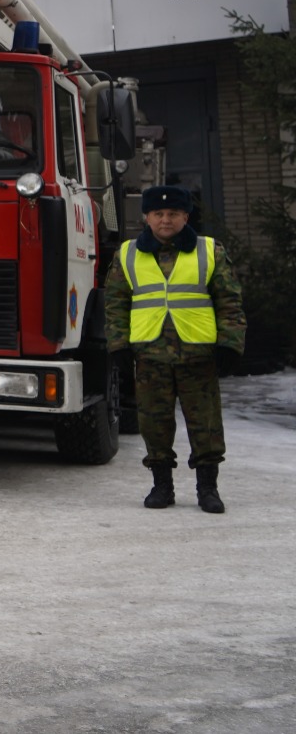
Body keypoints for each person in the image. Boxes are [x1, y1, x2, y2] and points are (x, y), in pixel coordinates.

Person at [105, 185, 245, 513]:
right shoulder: (127, 254)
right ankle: (161, 486)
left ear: (185, 216)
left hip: (199, 354)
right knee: (154, 423)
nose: (165, 220)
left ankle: (208, 489)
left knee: (206, 424)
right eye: (158, 214)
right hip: (150, 354)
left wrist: (230, 344)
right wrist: (119, 346)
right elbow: (114, 304)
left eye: (173, 214)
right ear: (147, 217)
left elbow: (230, 301)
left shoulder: (210, 251)